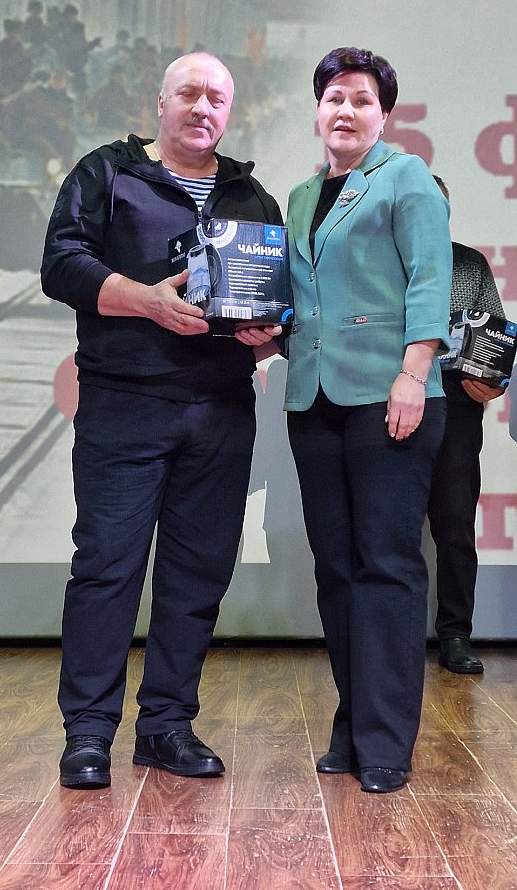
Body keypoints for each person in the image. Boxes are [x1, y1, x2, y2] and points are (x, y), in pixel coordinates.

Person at [41, 51, 283, 789]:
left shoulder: (250, 195)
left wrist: (268, 333)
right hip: (125, 404)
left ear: (229, 113)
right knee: (106, 567)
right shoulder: (106, 173)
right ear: (161, 102)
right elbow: (60, 265)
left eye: (217, 98)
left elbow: (275, 301)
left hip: (220, 408)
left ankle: (166, 727)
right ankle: (88, 735)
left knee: (197, 572)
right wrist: (143, 299)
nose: (203, 108)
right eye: (189, 93)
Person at [284, 46, 452, 794]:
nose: (345, 111)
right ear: (317, 110)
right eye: (334, 98)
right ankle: (353, 726)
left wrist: (413, 376)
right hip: (315, 399)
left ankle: (386, 742)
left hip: (392, 396)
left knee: (386, 565)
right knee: (338, 571)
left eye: (360, 100)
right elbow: (304, 297)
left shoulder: (405, 176)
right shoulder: (300, 195)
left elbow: (430, 281)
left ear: (384, 114)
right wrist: (266, 330)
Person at [428, 175, 506, 675]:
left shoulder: (470, 264)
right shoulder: (377, 261)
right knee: (386, 528)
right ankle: (387, 635)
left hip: (457, 406)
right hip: (384, 401)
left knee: (455, 526)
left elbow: (495, 341)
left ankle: (456, 633)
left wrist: (493, 381)